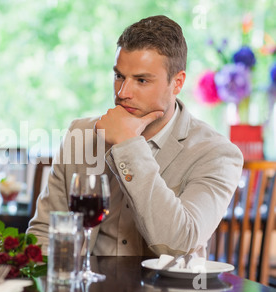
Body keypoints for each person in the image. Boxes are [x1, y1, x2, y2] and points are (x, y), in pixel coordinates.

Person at [27, 15, 243, 258]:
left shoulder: (216, 154)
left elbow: (178, 244)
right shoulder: (80, 134)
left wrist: (128, 145)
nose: (122, 92)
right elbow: (44, 233)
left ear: (177, 82)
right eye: (119, 76)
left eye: (141, 80)